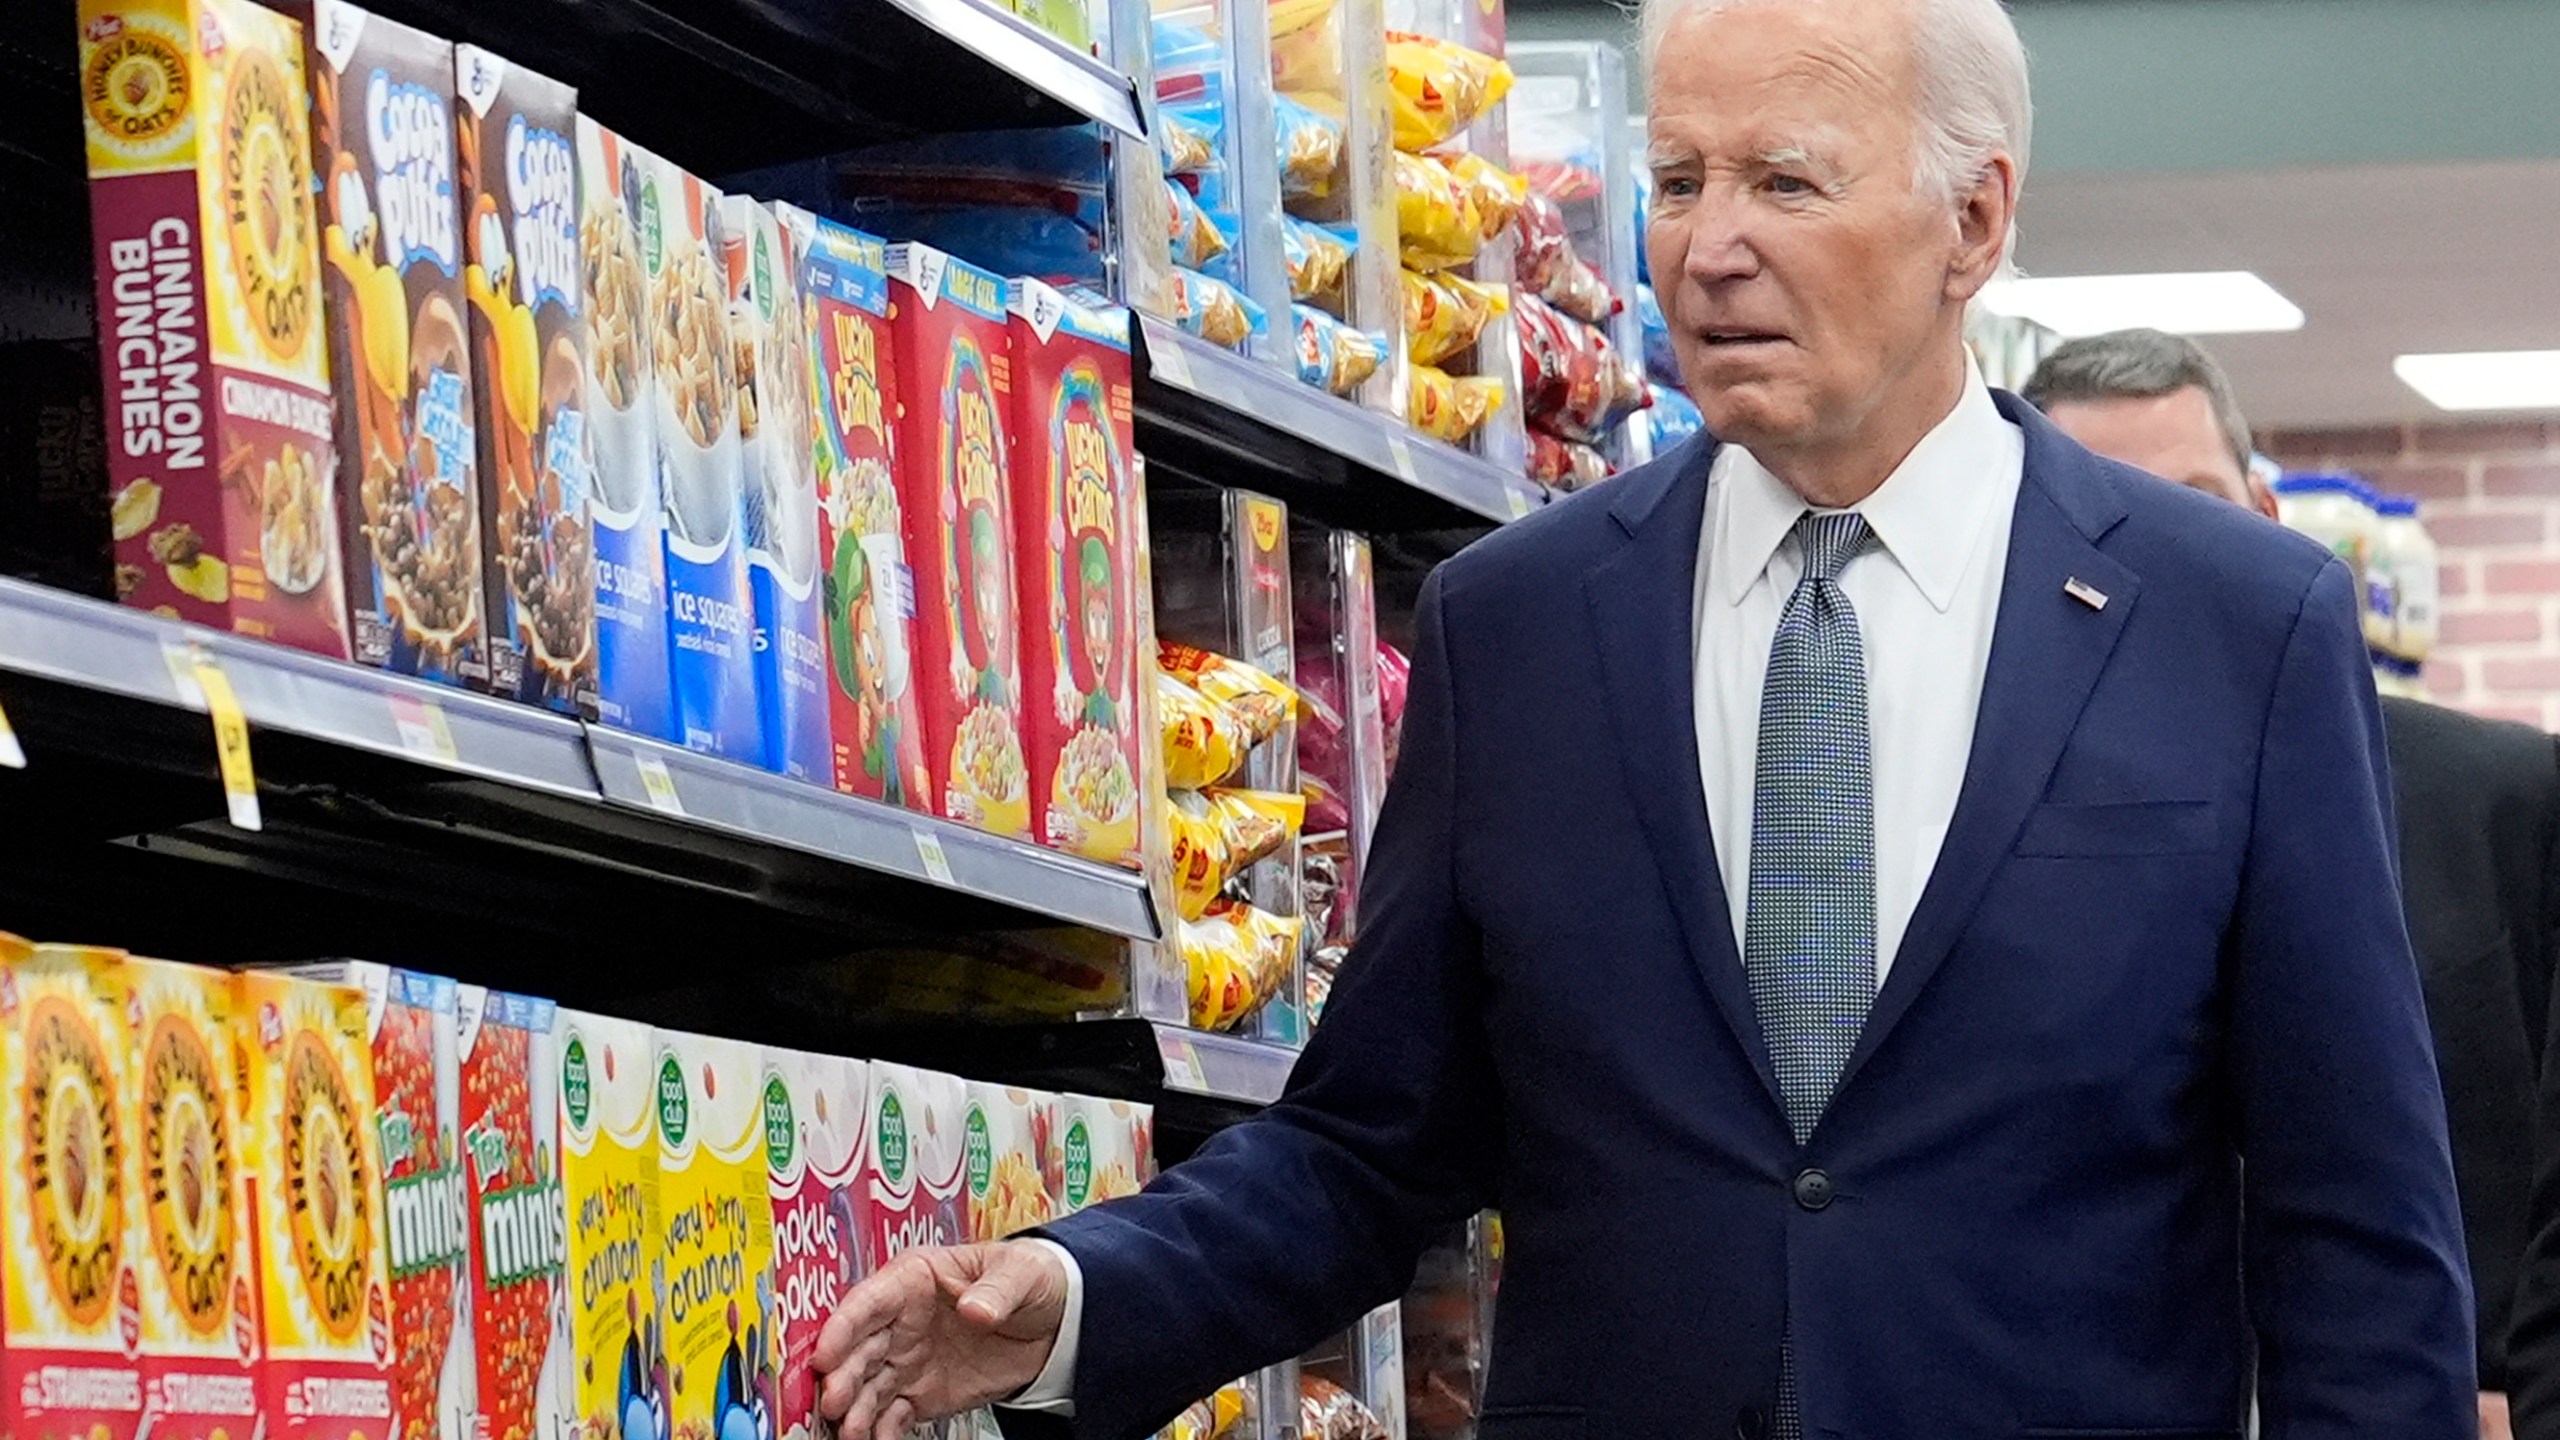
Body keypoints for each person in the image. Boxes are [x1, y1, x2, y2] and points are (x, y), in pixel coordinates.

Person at [814, 0, 2476, 1435]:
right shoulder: (1523, 624)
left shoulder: (2235, 631)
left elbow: (2359, 1242)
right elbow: (1368, 1148)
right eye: (1678, 179)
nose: (1706, 243)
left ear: (1975, 223)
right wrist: (1083, 1298)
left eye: (1785, 181)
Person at [2029, 326, 2560, 1440]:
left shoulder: (2505, 801)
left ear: (2266, 520)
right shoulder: (1987, 844)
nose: (2156, 552)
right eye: (2107, 510)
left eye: (2193, 501)